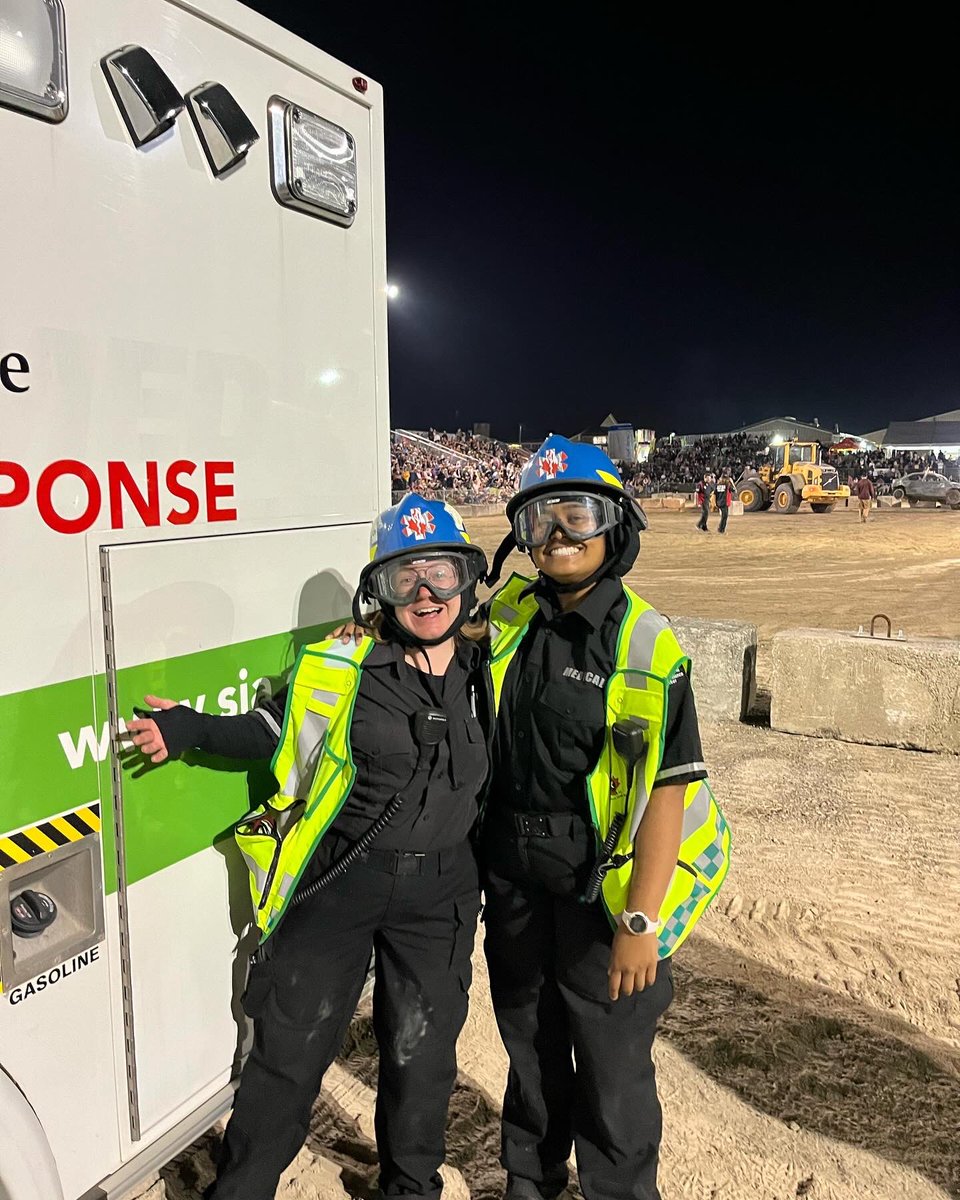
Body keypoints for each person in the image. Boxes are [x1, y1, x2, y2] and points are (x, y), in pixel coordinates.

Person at [125, 494, 491, 1200]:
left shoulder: (490, 670)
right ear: (377, 590)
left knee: (421, 1053)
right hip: (341, 879)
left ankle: (411, 1188)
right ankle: (242, 1188)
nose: (426, 593)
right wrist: (192, 730)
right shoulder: (339, 664)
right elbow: (272, 728)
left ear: (466, 578)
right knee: (290, 1050)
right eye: (404, 576)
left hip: (442, 890)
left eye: (441, 573)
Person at [482, 436, 730, 1200]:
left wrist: (640, 924)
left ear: (615, 525)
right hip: (519, 884)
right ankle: (532, 1183)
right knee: (530, 1051)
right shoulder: (508, 614)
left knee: (613, 1072)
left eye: (577, 515)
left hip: (603, 896)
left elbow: (667, 791)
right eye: (539, 521)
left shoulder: (647, 644)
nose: (557, 537)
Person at [714, 469, 735, 533]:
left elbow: (715, 493)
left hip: (719, 502)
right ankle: (721, 529)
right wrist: (732, 483)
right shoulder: (728, 485)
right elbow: (734, 490)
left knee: (724, 516)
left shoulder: (718, 485)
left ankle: (721, 529)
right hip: (724, 502)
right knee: (724, 517)